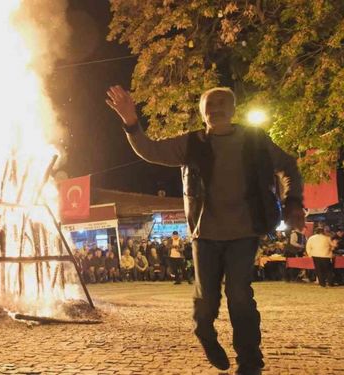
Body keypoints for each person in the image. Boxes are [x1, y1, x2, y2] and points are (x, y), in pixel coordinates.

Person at [107, 85, 304, 374]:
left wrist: (293, 202)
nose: (217, 107)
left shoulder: (254, 140)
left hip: (244, 232)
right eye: (210, 103)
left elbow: (288, 165)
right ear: (202, 112)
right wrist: (131, 122)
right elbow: (150, 150)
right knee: (206, 301)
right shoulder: (192, 143)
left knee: (239, 295)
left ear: (234, 109)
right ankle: (204, 332)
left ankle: (250, 363)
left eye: (223, 102)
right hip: (205, 235)